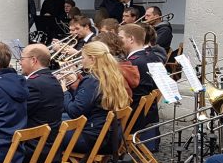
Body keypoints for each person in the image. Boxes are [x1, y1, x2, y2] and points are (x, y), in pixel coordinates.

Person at [61, 42, 131, 154]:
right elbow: (91, 103)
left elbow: (74, 111)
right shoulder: (111, 75)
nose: (81, 61)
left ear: (92, 59)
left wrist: (64, 91)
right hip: (109, 135)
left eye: (83, 58)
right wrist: (76, 88)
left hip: (92, 138)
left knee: (50, 132)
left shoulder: (92, 80)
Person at [119, 23, 160, 151]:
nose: (118, 42)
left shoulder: (134, 62)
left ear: (131, 39)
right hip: (144, 114)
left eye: (121, 38)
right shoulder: (149, 57)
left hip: (133, 115)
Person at [19, 44, 64, 158]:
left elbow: (16, 113)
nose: (20, 63)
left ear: (33, 60)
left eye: (22, 59)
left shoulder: (34, 84)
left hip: (36, 148)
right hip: (49, 145)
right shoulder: (50, 79)